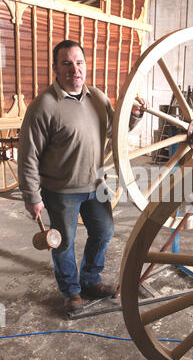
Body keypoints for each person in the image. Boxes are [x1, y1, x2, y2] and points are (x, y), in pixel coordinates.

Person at [18, 39, 146, 315]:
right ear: (55, 69)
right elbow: (28, 155)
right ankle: (71, 291)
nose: (74, 69)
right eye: (66, 63)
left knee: (104, 231)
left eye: (79, 63)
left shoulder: (98, 98)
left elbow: (115, 130)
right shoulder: (43, 106)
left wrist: (134, 117)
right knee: (63, 243)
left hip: (96, 184)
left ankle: (90, 280)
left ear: (86, 66)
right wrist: (32, 197)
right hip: (61, 190)